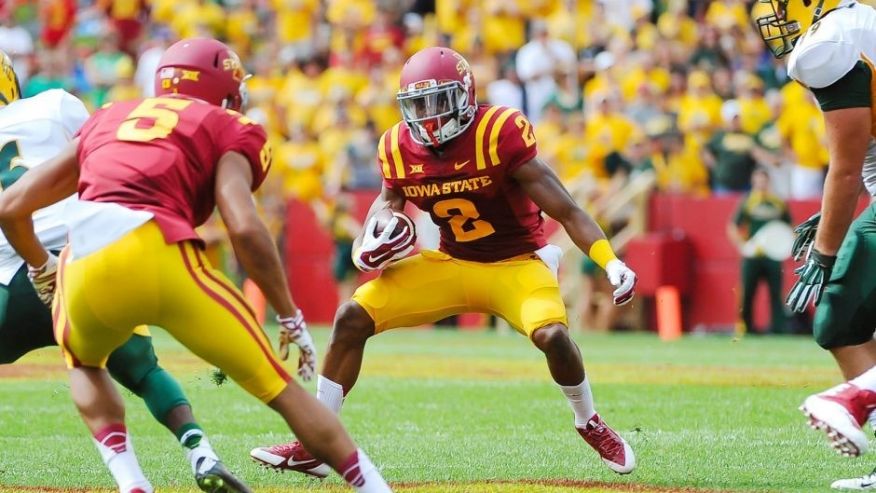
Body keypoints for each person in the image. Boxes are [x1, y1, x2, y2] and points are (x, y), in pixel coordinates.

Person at [0, 38, 391, 493]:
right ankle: (372, 487)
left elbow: (11, 207)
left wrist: (42, 268)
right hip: (158, 249)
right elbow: (243, 226)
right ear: (226, 90)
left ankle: (133, 482)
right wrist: (288, 313)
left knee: (85, 364)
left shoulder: (110, 115)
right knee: (281, 390)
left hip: (80, 266)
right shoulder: (229, 124)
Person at [251, 46, 638, 477]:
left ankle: (589, 421)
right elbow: (387, 202)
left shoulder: (498, 132)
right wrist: (372, 236)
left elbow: (567, 210)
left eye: (438, 102)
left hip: (518, 264)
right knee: (351, 317)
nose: (428, 116)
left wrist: (611, 262)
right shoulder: (398, 146)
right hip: (451, 263)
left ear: (467, 96)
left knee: (553, 337)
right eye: (417, 105)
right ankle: (317, 444)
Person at [0, 50, 247, 493]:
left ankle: (134, 481)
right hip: (84, 259)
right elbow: (105, 151)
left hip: (11, 277)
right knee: (142, 369)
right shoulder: (54, 104)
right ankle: (201, 451)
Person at [754, 0, 876, 488]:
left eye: (784, 11)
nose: (778, 26)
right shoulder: (860, 26)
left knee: (837, 319)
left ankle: (851, 398)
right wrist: (833, 211)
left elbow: (846, 167)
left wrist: (823, 257)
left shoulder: (829, 43)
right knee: (843, 323)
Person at [726, 167, 790, 335]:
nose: (761, 184)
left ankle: (778, 329)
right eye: (758, 180)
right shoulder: (747, 201)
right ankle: (746, 328)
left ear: (768, 181)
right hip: (753, 254)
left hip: (772, 255)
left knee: (776, 293)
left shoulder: (777, 202)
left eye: (764, 180)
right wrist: (743, 245)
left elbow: (790, 226)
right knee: (747, 292)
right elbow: (733, 226)